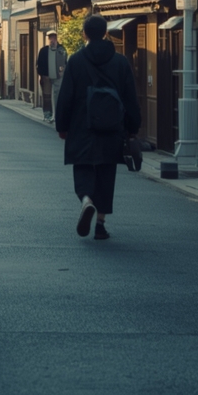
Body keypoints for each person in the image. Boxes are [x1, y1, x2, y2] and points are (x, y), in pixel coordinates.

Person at [54, 14, 141, 241]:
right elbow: (130, 97)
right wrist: (133, 127)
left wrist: (62, 125)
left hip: (81, 125)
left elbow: (66, 96)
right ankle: (100, 225)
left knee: (83, 168)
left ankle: (86, 201)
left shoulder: (76, 60)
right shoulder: (120, 61)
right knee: (106, 173)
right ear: (105, 33)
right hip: (112, 127)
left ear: (84, 33)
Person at [36, 30, 67, 122]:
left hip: (58, 77)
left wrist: (62, 72)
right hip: (46, 77)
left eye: (53, 37)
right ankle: (47, 114)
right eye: (50, 38)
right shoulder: (43, 50)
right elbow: (39, 64)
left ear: (56, 38)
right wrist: (42, 74)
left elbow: (65, 62)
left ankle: (56, 114)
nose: (51, 40)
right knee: (47, 96)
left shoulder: (61, 50)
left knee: (57, 96)